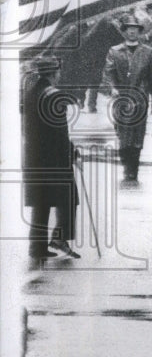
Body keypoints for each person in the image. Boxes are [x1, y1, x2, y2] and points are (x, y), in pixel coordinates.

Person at [21, 56, 80, 265]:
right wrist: (72, 153)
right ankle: (59, 238)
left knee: (41, 201)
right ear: (55, 73)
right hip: (54, 158)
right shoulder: (54, 96)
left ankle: (36, 247)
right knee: (70, 197)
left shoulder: (31, 92)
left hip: (34, 155)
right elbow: (60, 133)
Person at [102, 14, 152, 187]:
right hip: (121, 97)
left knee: (137, 134)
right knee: (122, 133)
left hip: (140, 97)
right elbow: (108, 72)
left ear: (139, 31)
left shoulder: (148, 52)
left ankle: (133, 169)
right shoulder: (114, 51)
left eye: (135, 29)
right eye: (129, 29)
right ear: (124, 32)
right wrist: (112, 88)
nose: (132, 32)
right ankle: (126, 166)